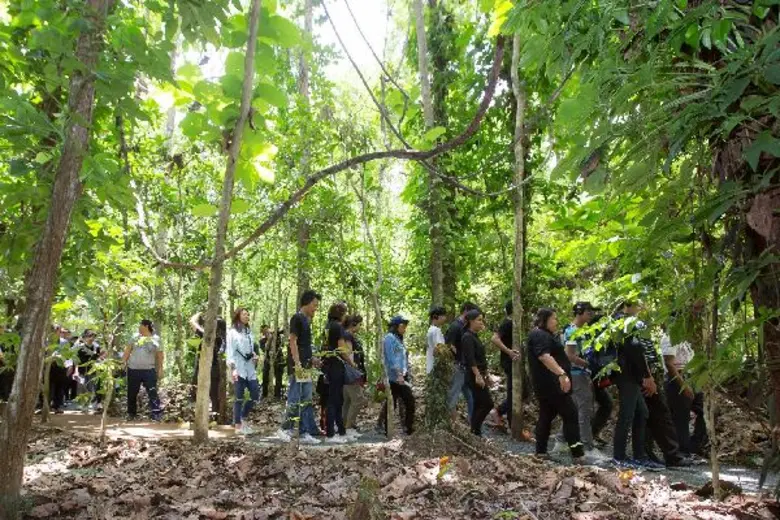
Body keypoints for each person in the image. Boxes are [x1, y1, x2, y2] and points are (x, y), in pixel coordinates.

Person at [610, 301, 663, 470]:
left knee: (641, 412)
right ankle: (619, 456)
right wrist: (646, 376)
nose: (640, 308)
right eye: (638, 305)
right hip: (626, 374)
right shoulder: (624, 321)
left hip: (630, 374)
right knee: (627, 414)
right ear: (629, 305)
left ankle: (639, 455)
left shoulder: (620, 320)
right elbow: (634, 347)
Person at [527, 308, 584, 463]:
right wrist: (561, 374)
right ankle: (578, 454)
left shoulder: (544, 335)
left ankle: (540, 452)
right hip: (551, 384)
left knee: (546, 415)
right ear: (544, 320)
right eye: (554, 319)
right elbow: (544, 357)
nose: (556, 322)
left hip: (548, 384)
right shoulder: (540, 334)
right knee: (571, 414)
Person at [561, 302, 606, 458]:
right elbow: (569, 355)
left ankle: (561, 440)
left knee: (575, 408)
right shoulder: (572, 331)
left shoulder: (582, 330)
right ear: (579, 312)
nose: (591, 315)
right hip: (577, 373)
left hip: (580, 373)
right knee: (585, 410)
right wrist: (588, 364)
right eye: (588, 312)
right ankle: (587, 447)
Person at [277, 289, 322, 444]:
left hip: (306, 365)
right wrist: (297, 364)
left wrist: (312, 359)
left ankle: (304, 432)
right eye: (314, 305)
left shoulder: (306, 321)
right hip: (299, 367)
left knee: (306, 398)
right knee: (295, 397)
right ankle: (285, 429)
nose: (316, 308)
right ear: (307, 303)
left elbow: (304, 345)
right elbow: (292, 341)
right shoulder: (297, 318)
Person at [662, 321, 708, 461]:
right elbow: (669, 363)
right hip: (677, 379)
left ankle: (694, 446)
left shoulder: (684, 339)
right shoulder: (669, 337)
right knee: (681, 417)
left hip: (690, 377)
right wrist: (684, 386)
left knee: (704, 411)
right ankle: (682, 452)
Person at [322, 302, 355, 443]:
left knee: (337, 399)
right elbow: (342, 349)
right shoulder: (337, 327)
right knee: (333, 400)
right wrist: (351, 363)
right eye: (345, 312)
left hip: (328, 364)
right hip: (336, 365)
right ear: (341, 314)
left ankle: (341, 431)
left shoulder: (328, 326)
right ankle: (330, 434)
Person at [226, 308, 260, 434]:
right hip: (238, 368)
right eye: (244, 314)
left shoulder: (249, 332)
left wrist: (255, 355)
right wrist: (233, 369)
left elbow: (251, 349)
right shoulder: (232, 332)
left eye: (248, 314)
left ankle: (243, 417)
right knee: (239, 397)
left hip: (250, 368)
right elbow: (230, 352)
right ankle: (237, 425)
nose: (247, 316)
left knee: (255, 394)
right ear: (238, 316)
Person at [122, 319, 163, 421]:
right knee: (132, 392)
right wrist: (122, 363)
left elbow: (160, 355)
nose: (138, 327)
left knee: (152, 391)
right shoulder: (134, 337)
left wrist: (160, 368)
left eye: (140, 325)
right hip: (133, 369)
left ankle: (156, 413)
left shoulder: (156, 339)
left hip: (149, 370)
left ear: (146, 326)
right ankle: (131, 413)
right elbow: (127, 351)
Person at [460, 309, 493, 436]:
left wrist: (486, 375)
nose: (481, 322)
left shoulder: (474, 336)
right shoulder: (467, 337)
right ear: (471, 321)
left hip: (479, 373)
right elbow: (471, 359)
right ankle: (475, 431)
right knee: (487, 404)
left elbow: (481, 358)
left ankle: (475, 432)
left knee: (479, 404)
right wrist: (478, 376)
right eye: (479, 320)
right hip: (473, 375)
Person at [490, 300, 521, 429]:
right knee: (515, 391)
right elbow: (494, 338)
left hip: (512, 362)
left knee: (517, 391)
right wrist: (509, 352)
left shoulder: (513, 323)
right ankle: (499, 412)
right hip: (509, 362)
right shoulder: (507, 323)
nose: (522, 310)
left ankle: (507, 417)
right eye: (520, 307)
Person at [446, 302, 479, 422]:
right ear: (465, 311)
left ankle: (473, 423)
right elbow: (448, 345)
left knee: (470, 395)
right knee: (453, 396)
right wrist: (456, 359)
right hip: (457, 367)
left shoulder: (464, 326)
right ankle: (450, 424)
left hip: (464, 367)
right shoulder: (455, 326)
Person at [383, 315, 415, 435]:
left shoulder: (398, 338)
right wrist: (399, 374)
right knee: (393, 403)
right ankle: (388, 430)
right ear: (396, 326)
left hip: (402, 375)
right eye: (403, 326)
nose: (404, 329)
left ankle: (408, 428)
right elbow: (391, 358)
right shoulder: (389, 338)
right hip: (394, 377)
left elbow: (401, 358)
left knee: (408, 402)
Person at [189, 311, 227, 412]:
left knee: (198, 391)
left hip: (204, 367)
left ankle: (201, 413)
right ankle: (215, 414)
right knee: (214, 394)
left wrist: (199, 313)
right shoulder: (222, 338)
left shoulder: (207, 336)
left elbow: (192, 321)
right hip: (215, 368)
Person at [342, 314, 367, 437]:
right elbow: (348, 353)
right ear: (353, 324)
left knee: (347, 400)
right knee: (358, 399)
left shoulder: (348, 335)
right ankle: (348, 427)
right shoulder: (347, 336)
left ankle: (344, 426)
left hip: (347, 373)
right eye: (359, 324)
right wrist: (354, 368)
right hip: (351, 373)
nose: (360, 327)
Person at [74, 330, 101, 410]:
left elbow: (97, 357)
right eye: (89, 336)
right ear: (85, 337)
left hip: (92, 369)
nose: (91, 338)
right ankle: (81, 404)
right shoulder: (80, 347)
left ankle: (90, 404)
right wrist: (76, 370)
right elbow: (76, 359)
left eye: (93, 337)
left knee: (91, 387)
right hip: (81, 369)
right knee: (81, 386)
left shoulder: (96, 347)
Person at [261, 325, 285, 399]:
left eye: (267, 330)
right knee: (265, 377)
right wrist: (270, 338)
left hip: (278, 360)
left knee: (278, 378)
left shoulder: (276, 338)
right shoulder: (262, 341)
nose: (267, 332)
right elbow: (265, 348)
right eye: (264, 331)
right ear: (263, 333)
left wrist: (277, 334)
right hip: (268, 361)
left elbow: (282, 344)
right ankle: (264, 395)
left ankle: (278, 395)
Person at [426, 306, 447, 375]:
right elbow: (439, 349)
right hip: (436, 368)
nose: (445, 318)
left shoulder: (431, 329)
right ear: (436, 316)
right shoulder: (436, 330)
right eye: (443, 316)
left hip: (431, 365)